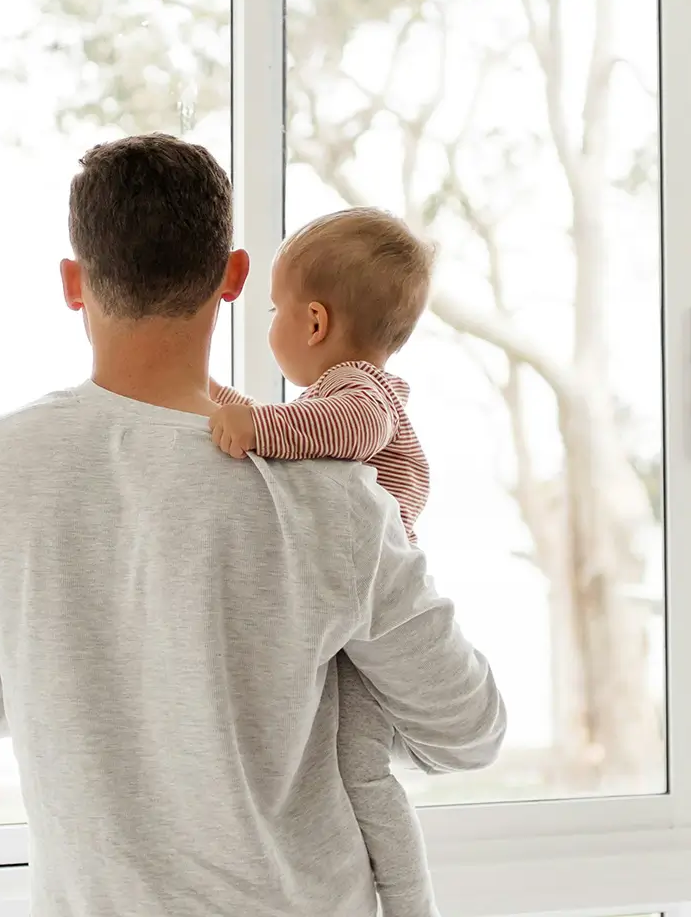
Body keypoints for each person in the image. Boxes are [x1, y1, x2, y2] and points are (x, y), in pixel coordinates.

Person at [0, 133, 506, 917]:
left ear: (73, 284)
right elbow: (469, 729)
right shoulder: (334, 495)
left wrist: (96, 685)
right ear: (234, 277)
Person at [207, 206, 440, 917]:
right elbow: (290, 426)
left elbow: (338, 430)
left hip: (372, 619)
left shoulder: (360, 396)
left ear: (312, 323)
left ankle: (410, 903)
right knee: (336, 762)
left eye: (275, 308)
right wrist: (209, 397)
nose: (269, 322)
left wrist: (253, 424)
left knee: (363, 773)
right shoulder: (332, 397)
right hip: (345, 617)